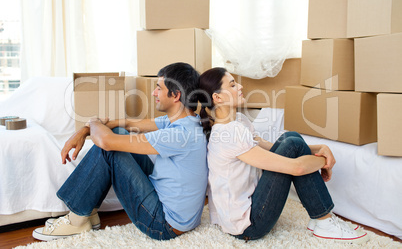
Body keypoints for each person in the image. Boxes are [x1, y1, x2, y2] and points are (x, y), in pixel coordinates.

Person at [33, 62, 208, 241]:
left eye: (158, 88)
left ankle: (76, 219)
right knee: (118, 133)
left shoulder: (179, 135)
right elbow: (128, 124)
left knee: (110, 149)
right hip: (170, 207)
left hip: (163, 225)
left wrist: (92, 122)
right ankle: (88, 212)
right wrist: (84, 130)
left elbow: (106, 142)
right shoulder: (184, 121)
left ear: (176, 95)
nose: (154, 93)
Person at [198, 67, 369, 244]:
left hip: (251, 204)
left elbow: (270, 147)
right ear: (217, 98)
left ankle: (321, 219)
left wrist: (319, 148)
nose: (240, 86)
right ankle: (324, 221)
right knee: (293, 143)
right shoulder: (228, 134)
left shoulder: (239, 120)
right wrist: (324, 161)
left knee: (290, 138)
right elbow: (297, 168)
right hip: (248, 226)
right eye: (233, 85)